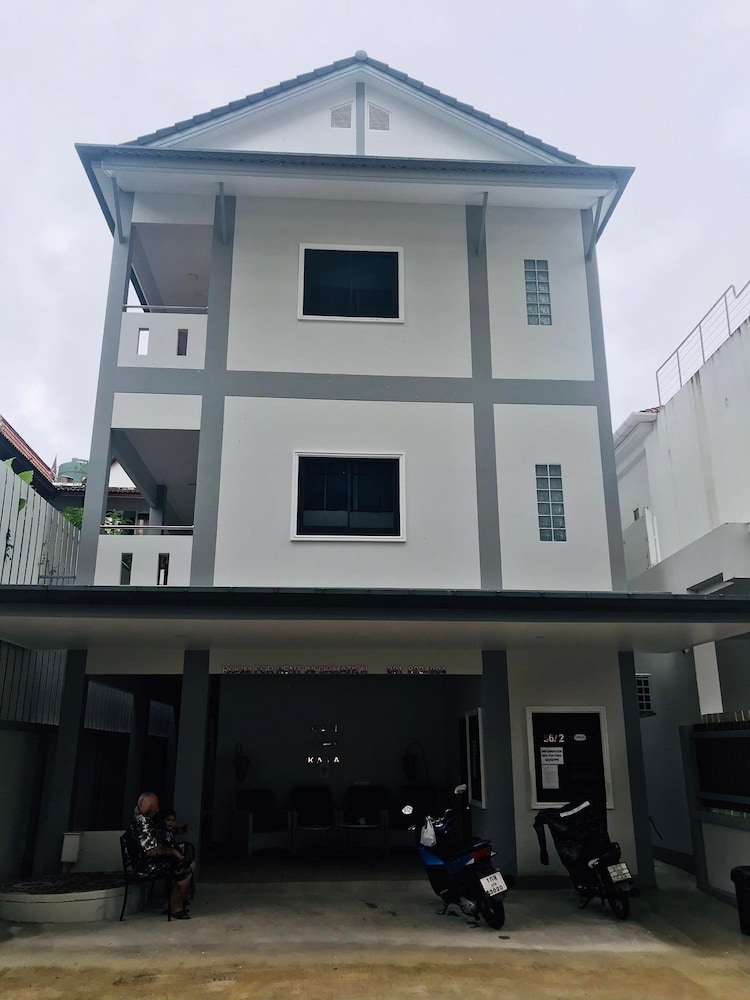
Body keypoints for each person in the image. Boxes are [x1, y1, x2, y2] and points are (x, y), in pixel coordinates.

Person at [128, 792, 193, 919]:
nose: (158, 809)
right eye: (156, 805)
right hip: (146, 865)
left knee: (188, 862)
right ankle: (175, 908)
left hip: (146, 861)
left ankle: (173, 902)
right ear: (150, 807)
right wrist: (172, 851)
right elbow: (151, 850)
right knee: (185, 868)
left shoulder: (142, 819)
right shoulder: (142, 823)